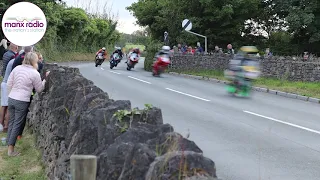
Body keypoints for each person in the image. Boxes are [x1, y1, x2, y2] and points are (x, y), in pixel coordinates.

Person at [6, 52, 49, 156]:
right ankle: (10, 150)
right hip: (22, 100)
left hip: (12, 98)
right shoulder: (34, 73)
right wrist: (45, 80)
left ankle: (8, 143)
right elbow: (39, 89)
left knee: (12, 121)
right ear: (35, 61)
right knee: (17, 123)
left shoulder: (17, 69)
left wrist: (11, 94)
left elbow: (9, 83)